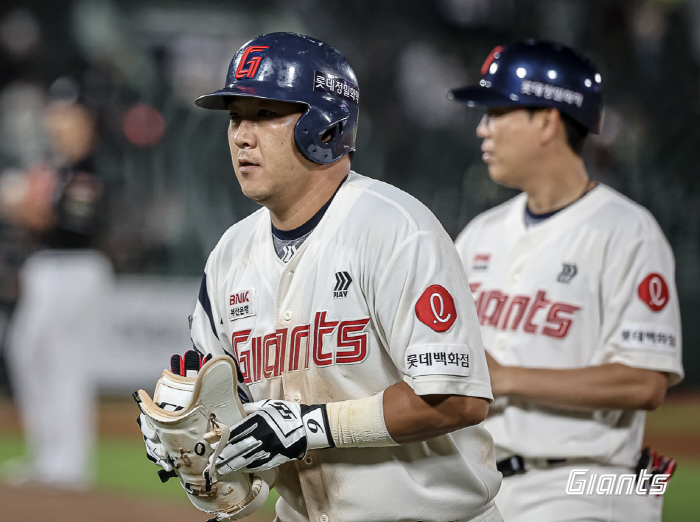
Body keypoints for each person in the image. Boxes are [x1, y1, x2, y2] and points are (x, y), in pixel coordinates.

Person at [142, 32, 502, 522]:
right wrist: (188, 440)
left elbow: (457, 400)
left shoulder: (394, 229)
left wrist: (311, 426)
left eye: (265, 115)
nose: (242, 136)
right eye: (234, 118)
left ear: (326, 126)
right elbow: (238, 429)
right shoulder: (229, 256)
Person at [448, 39, 684, 521]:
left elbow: (644, 381)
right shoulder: (479, 234)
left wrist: (509, 379)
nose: (482, 128)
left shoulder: (626, 231)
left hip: (582, 487)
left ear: (548, 121)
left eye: (496, 112)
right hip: (479, 486)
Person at [1, 90, 113, 490]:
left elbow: (70, 226)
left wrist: (20, 202)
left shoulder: (89, 167)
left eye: (66, 114)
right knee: (26, 354)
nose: (56, 121)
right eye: (55, 114)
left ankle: (69, 465)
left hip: (75, 267)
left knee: (65, 364)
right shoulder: (58, 165)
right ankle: (49, 455)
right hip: (46, 267)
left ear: (84, 119)